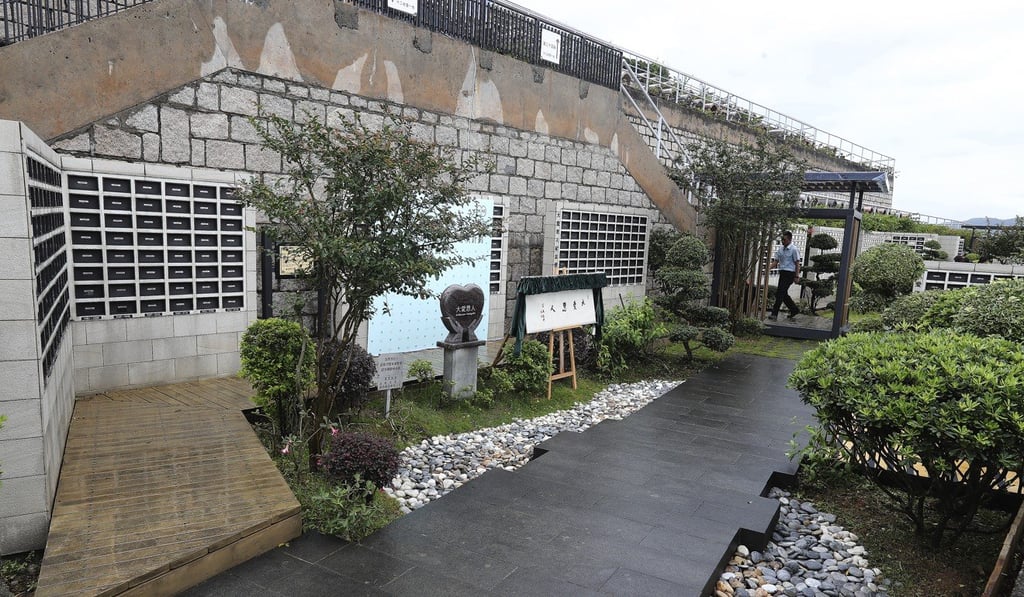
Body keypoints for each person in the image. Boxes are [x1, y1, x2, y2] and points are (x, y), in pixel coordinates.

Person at [769, 230, 801, 321]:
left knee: (780, 293)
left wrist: (796, 276)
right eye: (782, 239)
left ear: (790, 239)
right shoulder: (780, 249)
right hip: (782, 273)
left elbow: (797, 263)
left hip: (790, 274)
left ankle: (774, 313)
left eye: (784, 239)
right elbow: (775, 262)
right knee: (782, 293)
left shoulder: (794, 249)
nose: (783, 241)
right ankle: (794, 309)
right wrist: (768, 269)